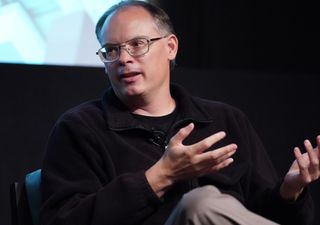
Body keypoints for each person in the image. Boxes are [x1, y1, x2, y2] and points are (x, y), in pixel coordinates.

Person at [39, 1, 320, 225]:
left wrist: (289, 193)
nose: (124, 58)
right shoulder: (81, 128)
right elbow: (62, 220)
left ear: (171, 47)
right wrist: (160, 176)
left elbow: (263, 215)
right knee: (200, 204)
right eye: (111, 50)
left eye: (137, 44)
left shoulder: (224, 120)